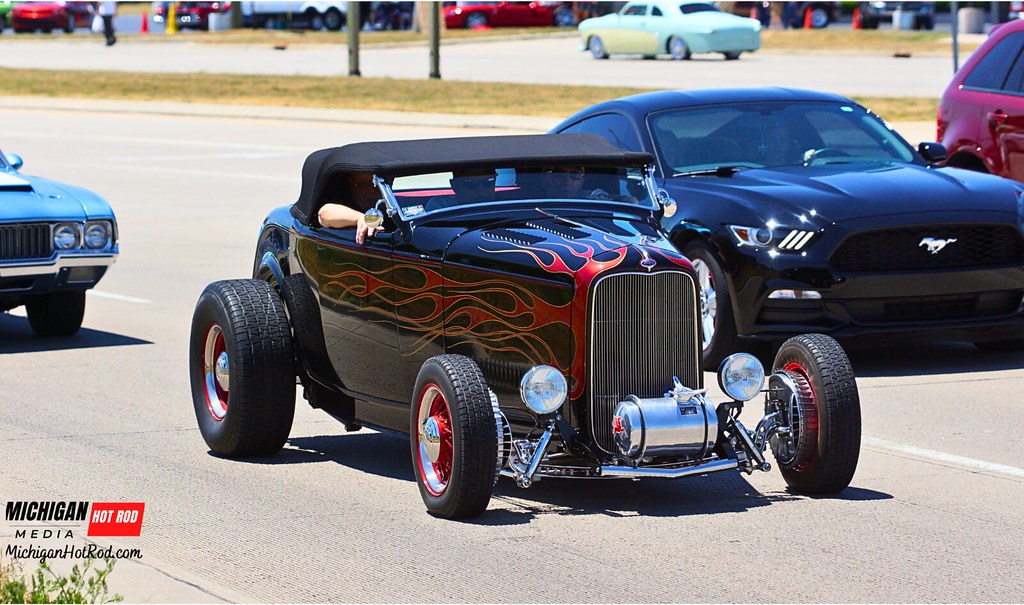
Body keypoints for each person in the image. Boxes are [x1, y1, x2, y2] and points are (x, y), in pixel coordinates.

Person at [317, 172, 385, 245]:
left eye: (378, 184)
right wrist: (363, 219)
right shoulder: (345, 203)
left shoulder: (392, 204)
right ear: (352, 184)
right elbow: (323, 214)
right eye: (364, 184)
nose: (372, 190)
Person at [426, 168, 497, 211]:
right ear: (454, 185)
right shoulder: (442, 206)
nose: (481, 190)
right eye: (470, 183)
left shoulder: (502, 204)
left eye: (488, 181)